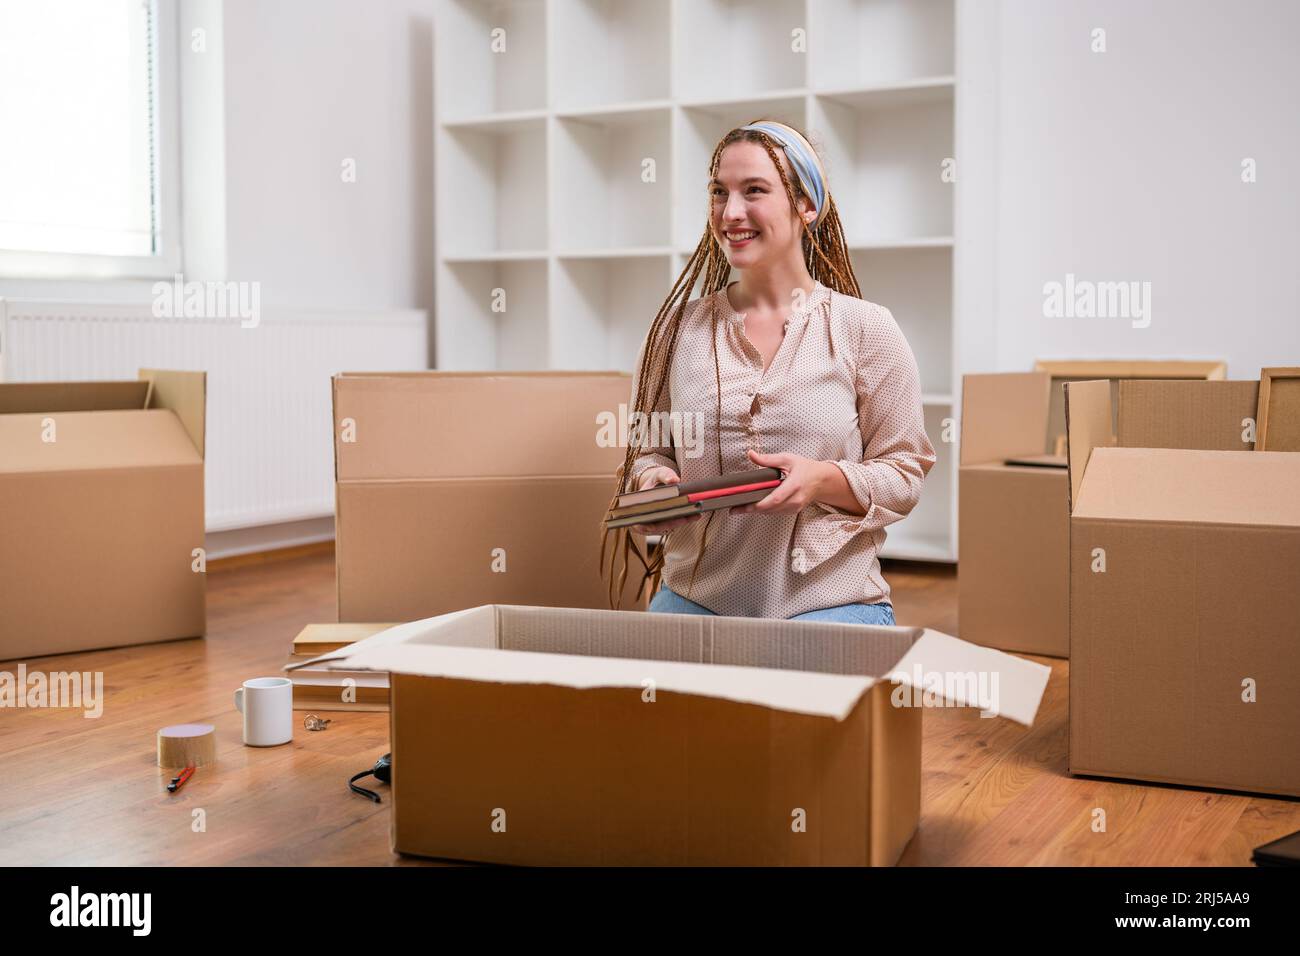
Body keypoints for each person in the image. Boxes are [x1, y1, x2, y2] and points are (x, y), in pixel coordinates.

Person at [599, 120, 935, 624]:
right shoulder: (677, 329)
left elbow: (904, 474)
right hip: (697, 597)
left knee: (788, 694)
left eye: (754, 191)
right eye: (719, 192)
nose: (731, 212)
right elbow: (648, 449)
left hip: (828, 600)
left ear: (806, 206)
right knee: (644, 701)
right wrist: (654, 483)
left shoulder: (866, 329)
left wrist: (822, 479)